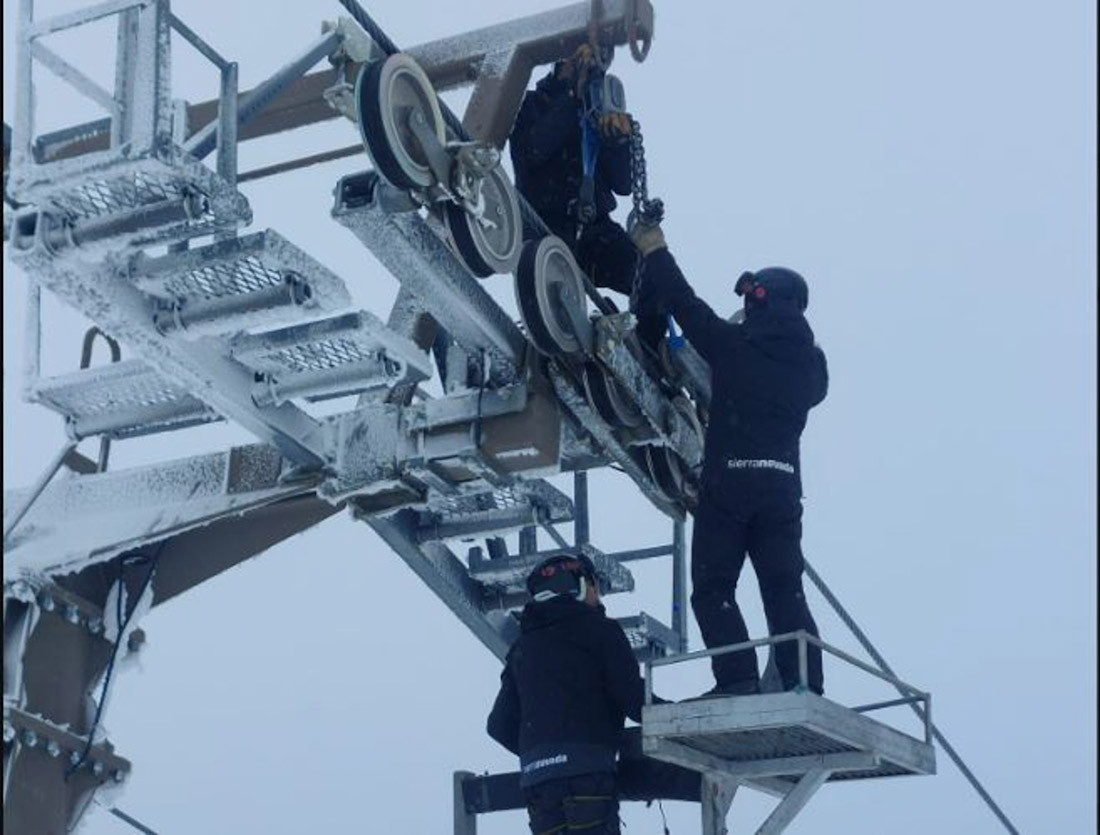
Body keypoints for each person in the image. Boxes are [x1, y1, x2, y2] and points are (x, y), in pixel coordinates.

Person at [630, 222, 829, 697]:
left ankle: (737, 679)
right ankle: (805, 683)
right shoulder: (811, 369)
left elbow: (685, 304)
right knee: (785, 589)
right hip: (782, 490)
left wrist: (654, 250)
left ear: (757, 301)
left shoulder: (734, 347)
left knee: (715, 587)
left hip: (730, 486)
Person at [509, 45, 665, 347]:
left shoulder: (597, 116)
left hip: (595, 230)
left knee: (652, 280)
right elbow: (532, 151)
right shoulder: (530, 104)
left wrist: (618, 141)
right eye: (580, 61)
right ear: (560, 62)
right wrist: (571, 100)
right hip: (547, 228)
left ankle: (650, 354)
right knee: (555, 308)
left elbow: (623, 184)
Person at [486, 553, 652, 834]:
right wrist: (680, 719)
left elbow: (498, 725)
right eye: (595, 587)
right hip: (588, 775)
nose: (599, 597)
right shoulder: (601, 631)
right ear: (581, 587)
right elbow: (635, 702)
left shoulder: (522, 649)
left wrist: (546, 749)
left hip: (538, 780)